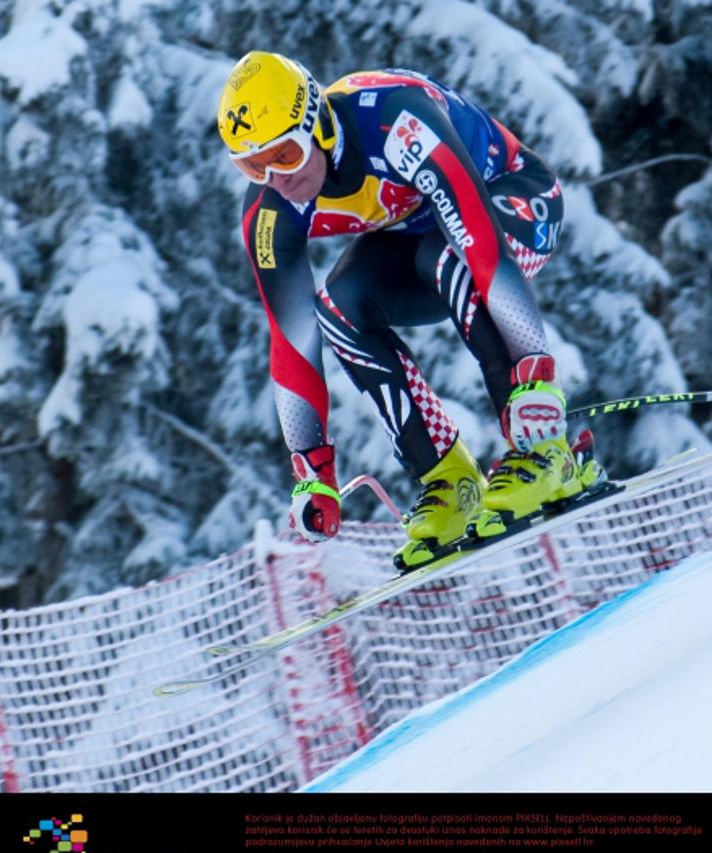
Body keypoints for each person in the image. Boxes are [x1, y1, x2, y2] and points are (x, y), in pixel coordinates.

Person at [216, 51, 606, 571]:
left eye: (285, 155)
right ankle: (448, 478)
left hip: (510, 203)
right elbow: (291, 342)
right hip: (421, 234)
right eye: (251, 165)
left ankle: (547, 452)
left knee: (449, 253)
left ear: (319, 127)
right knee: (338, 308)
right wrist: (311, 471)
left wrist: (536, 377)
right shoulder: (270, 211)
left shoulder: (396, 123)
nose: (275, 177)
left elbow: (484, 252)